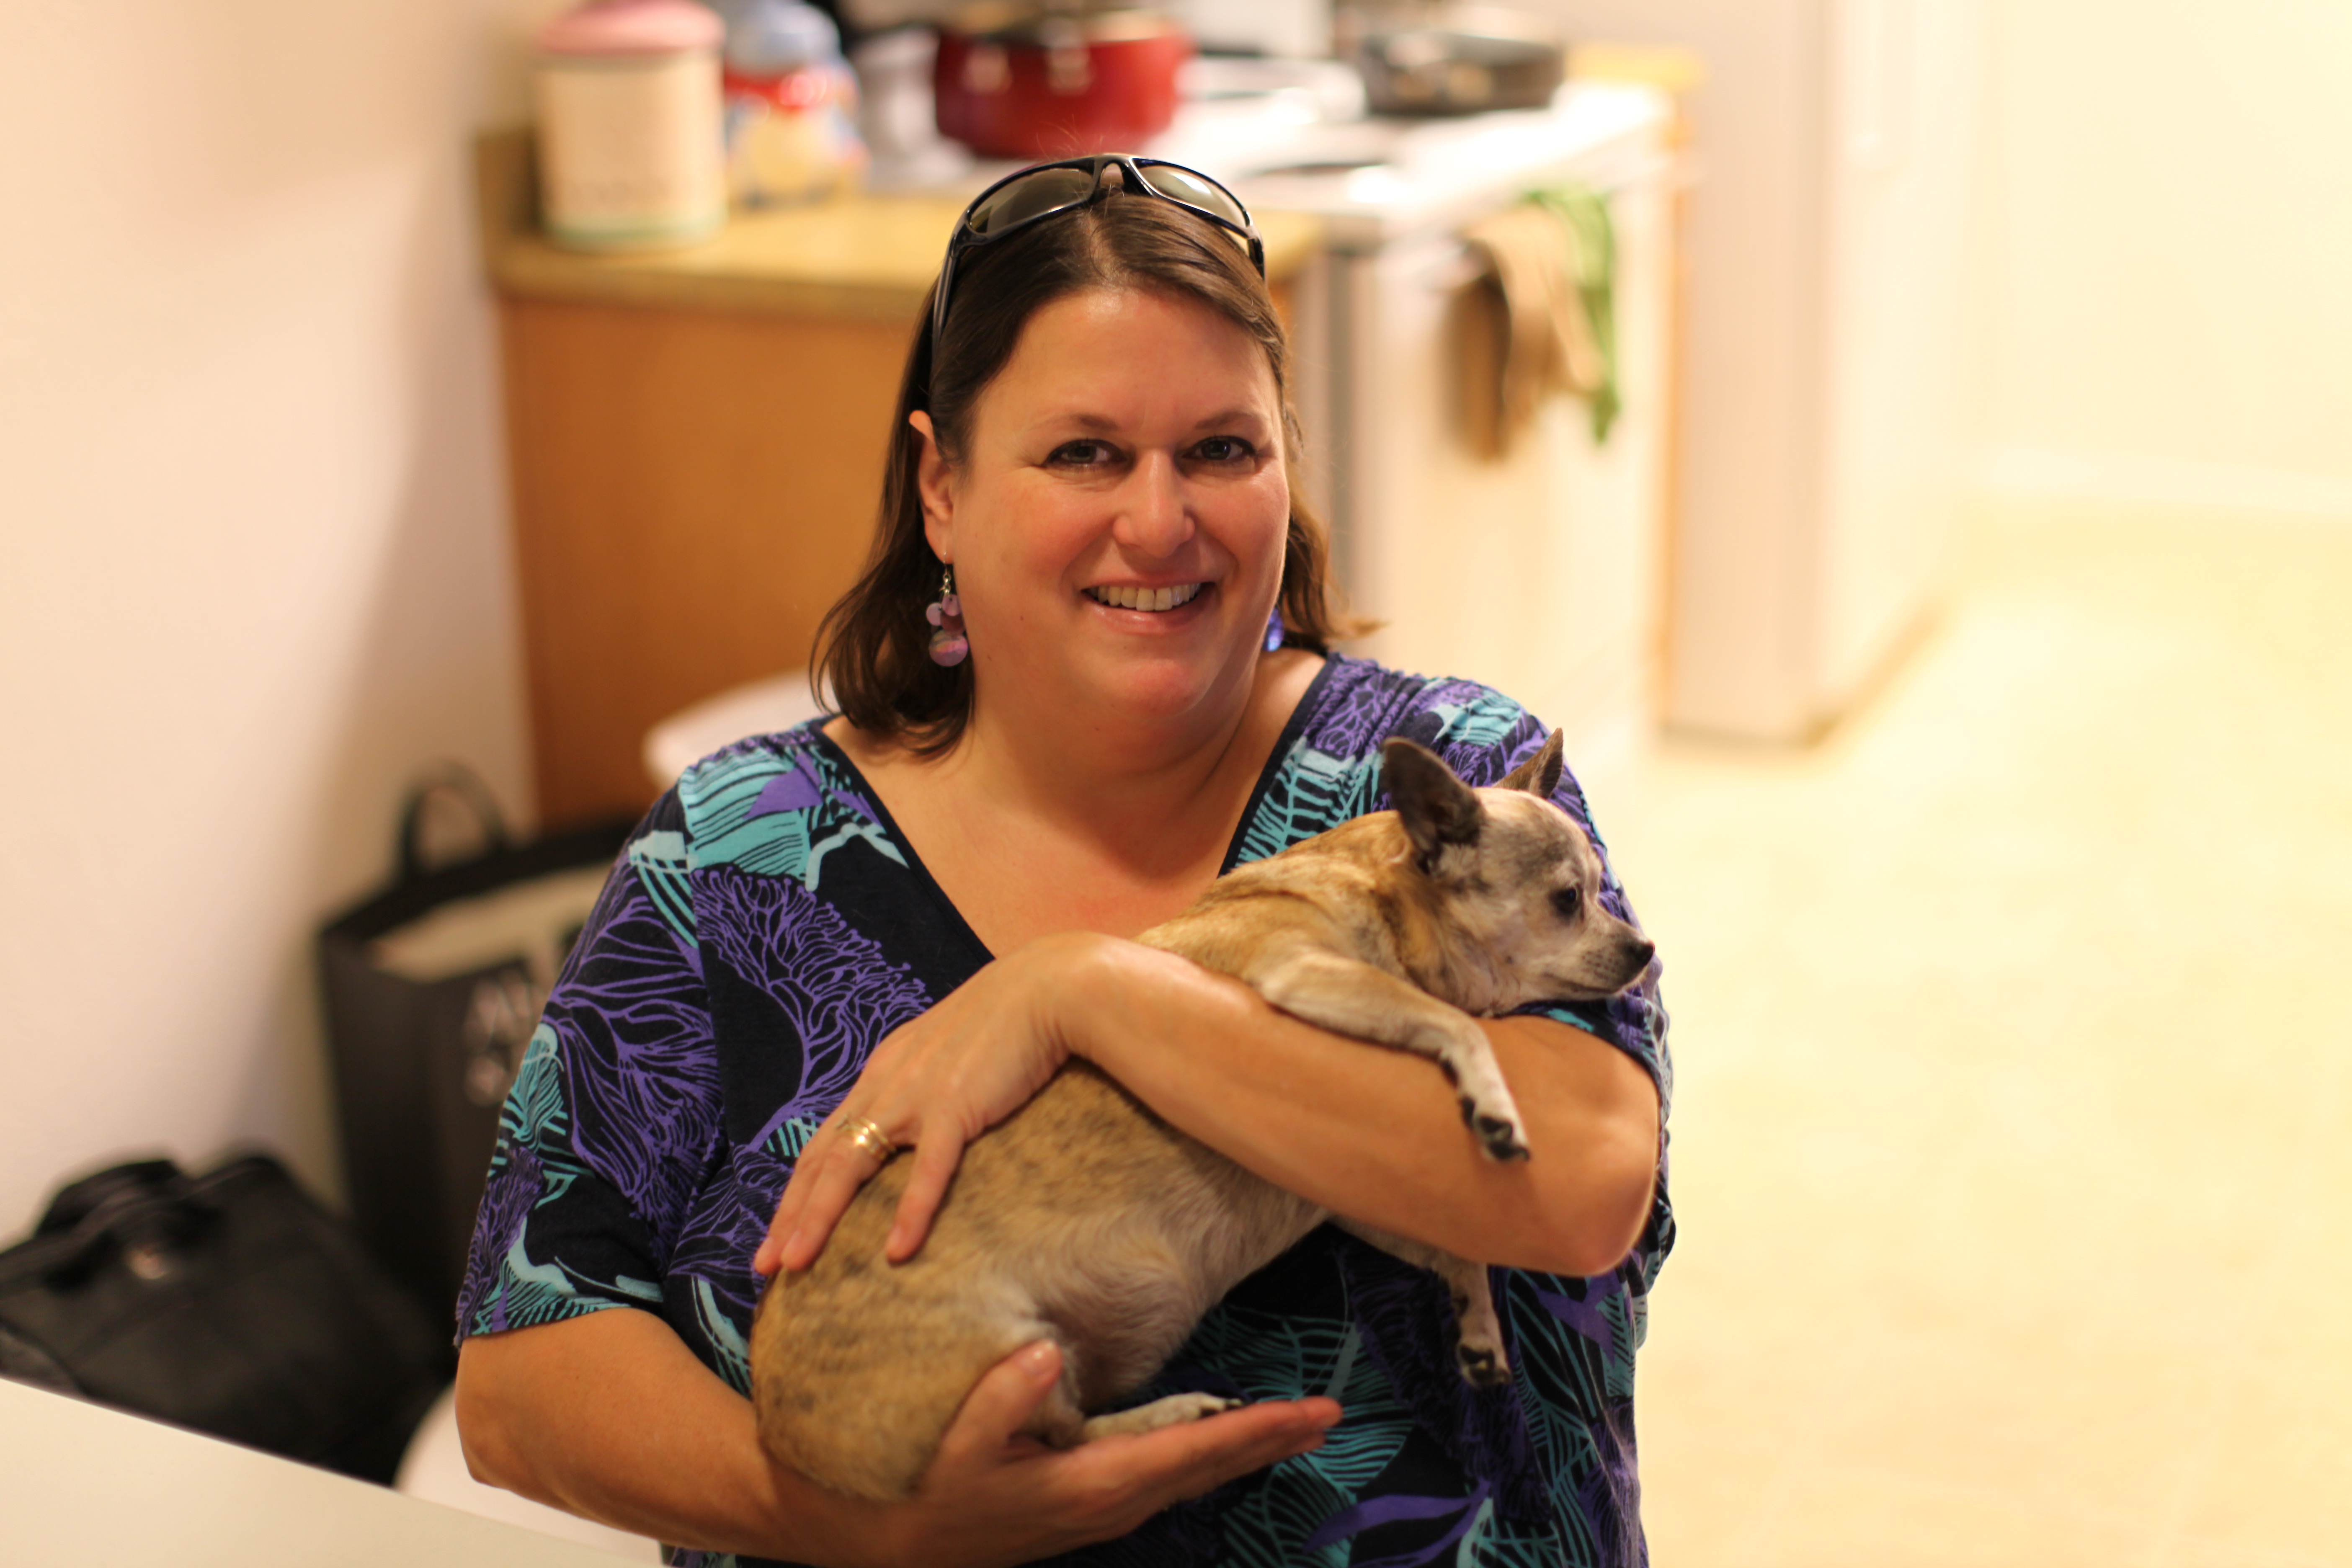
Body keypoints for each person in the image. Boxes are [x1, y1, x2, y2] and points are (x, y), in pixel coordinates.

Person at [452, 153, 1672, 1568]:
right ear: (942, 488)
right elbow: (523, 1376)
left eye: (1223, 449)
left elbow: (1581, 1181)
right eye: (1084, 453)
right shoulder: (736, 856)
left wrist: (1089, 993)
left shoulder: (1448, 785)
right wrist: (860, 1519)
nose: (1159, 524)